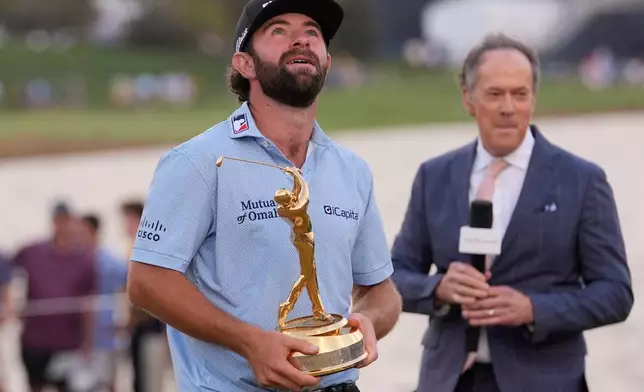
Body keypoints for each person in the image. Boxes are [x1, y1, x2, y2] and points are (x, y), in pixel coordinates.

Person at [126, 0, 402, 391]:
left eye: (312, 32)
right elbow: (147, 282)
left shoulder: (352, 170)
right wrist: (250, 343)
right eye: (278, 31)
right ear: (245, 64)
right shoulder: (199, 161)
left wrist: (369, 321)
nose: (301, 40)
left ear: (327, 61)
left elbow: (381, 291)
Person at [391, 33, 633, 392]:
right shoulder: (434, 176)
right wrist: (438, 287)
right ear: (468, 98)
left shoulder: (582, 180)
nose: (508, 107)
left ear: (533, 98)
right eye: (494, 93)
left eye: (519, 94)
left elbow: (616, 293)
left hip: (545, 380)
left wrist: (534, 308)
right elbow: (393, 275)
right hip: (447, 380)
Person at [12, 202, 97, 392]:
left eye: (66, 221)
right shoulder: (32, 251)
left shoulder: (84, 258)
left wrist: (88, 343)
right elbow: (7, 273)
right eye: (58, 221)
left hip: (67, 343)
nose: (62, 226)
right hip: (35, 340)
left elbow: (88, 302)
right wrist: (10, 302)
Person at [120, 200, 169, 392]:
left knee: (150, 381)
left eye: (128, 220)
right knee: (140, 381)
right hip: (139, 325)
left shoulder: (147, 249)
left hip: (151, 324)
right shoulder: (131, 248)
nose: (125, 225)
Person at [79, 214, 129, 392]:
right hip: (80, 337)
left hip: (105, 334)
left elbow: (129, 286)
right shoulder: (73, 262)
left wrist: (124, 319)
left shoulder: (109, 261)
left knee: (108, 382)